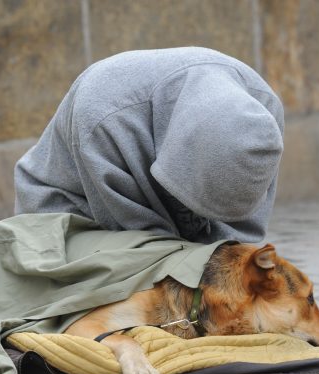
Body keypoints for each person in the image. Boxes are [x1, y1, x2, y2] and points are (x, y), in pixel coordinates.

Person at [14, 47, 284, 243]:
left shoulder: (263, 107)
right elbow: (139, 243)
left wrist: (232, 262)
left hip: (173, 222)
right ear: (183, 155)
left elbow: (240, 239)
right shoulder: (104, 116)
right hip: (72, 216)